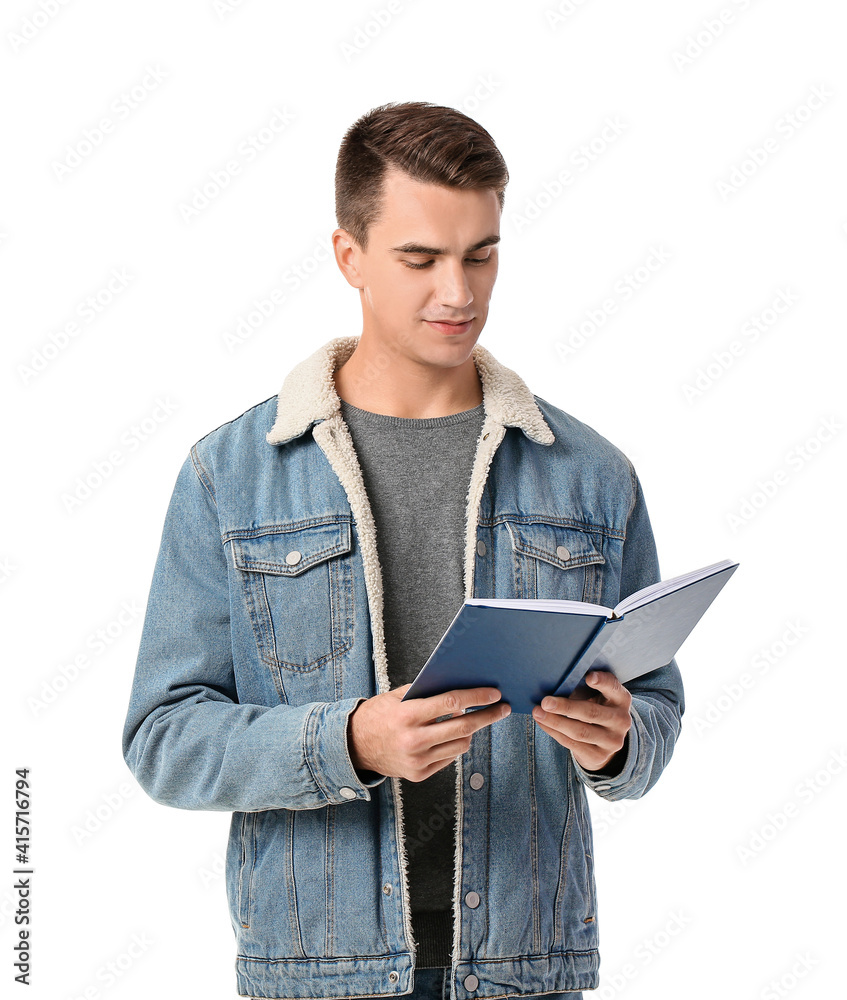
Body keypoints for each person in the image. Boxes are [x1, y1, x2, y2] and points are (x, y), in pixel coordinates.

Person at [122, 101, 684, 1000]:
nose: (457, 293)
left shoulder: (590, 474)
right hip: (318, 975)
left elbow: (654, 716)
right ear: (349, 256)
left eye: (481, 254)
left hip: (527, 973)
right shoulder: (229, 476)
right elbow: (163, 738)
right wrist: (345, 739)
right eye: (419, 259)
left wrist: (616, 743)